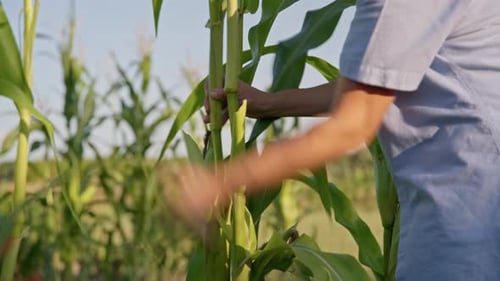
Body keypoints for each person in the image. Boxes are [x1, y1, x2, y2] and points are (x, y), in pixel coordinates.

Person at [174, 0, 500, 280]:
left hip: (468, 222)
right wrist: (268, 103)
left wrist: (224, 182)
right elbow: (373, 81)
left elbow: (355, 120)